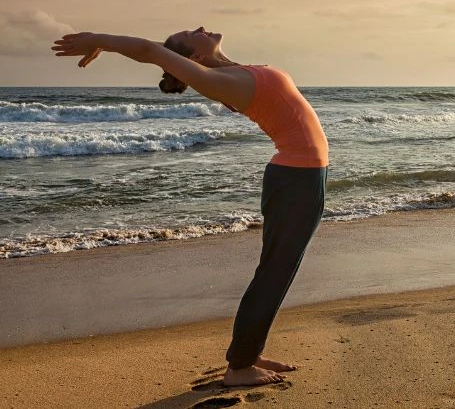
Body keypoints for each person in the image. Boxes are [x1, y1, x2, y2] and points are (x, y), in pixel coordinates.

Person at [51, 27, 329, 388]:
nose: (198, 27)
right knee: (276, 273)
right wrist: (102, 41)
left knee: (275, 272)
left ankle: (248, 353)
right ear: (193, 58)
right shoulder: (214, 80)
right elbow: (149, 50)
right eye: (189, 32)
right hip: (296, 179)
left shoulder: (231, 71)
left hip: (301, 175)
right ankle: (240, 367)